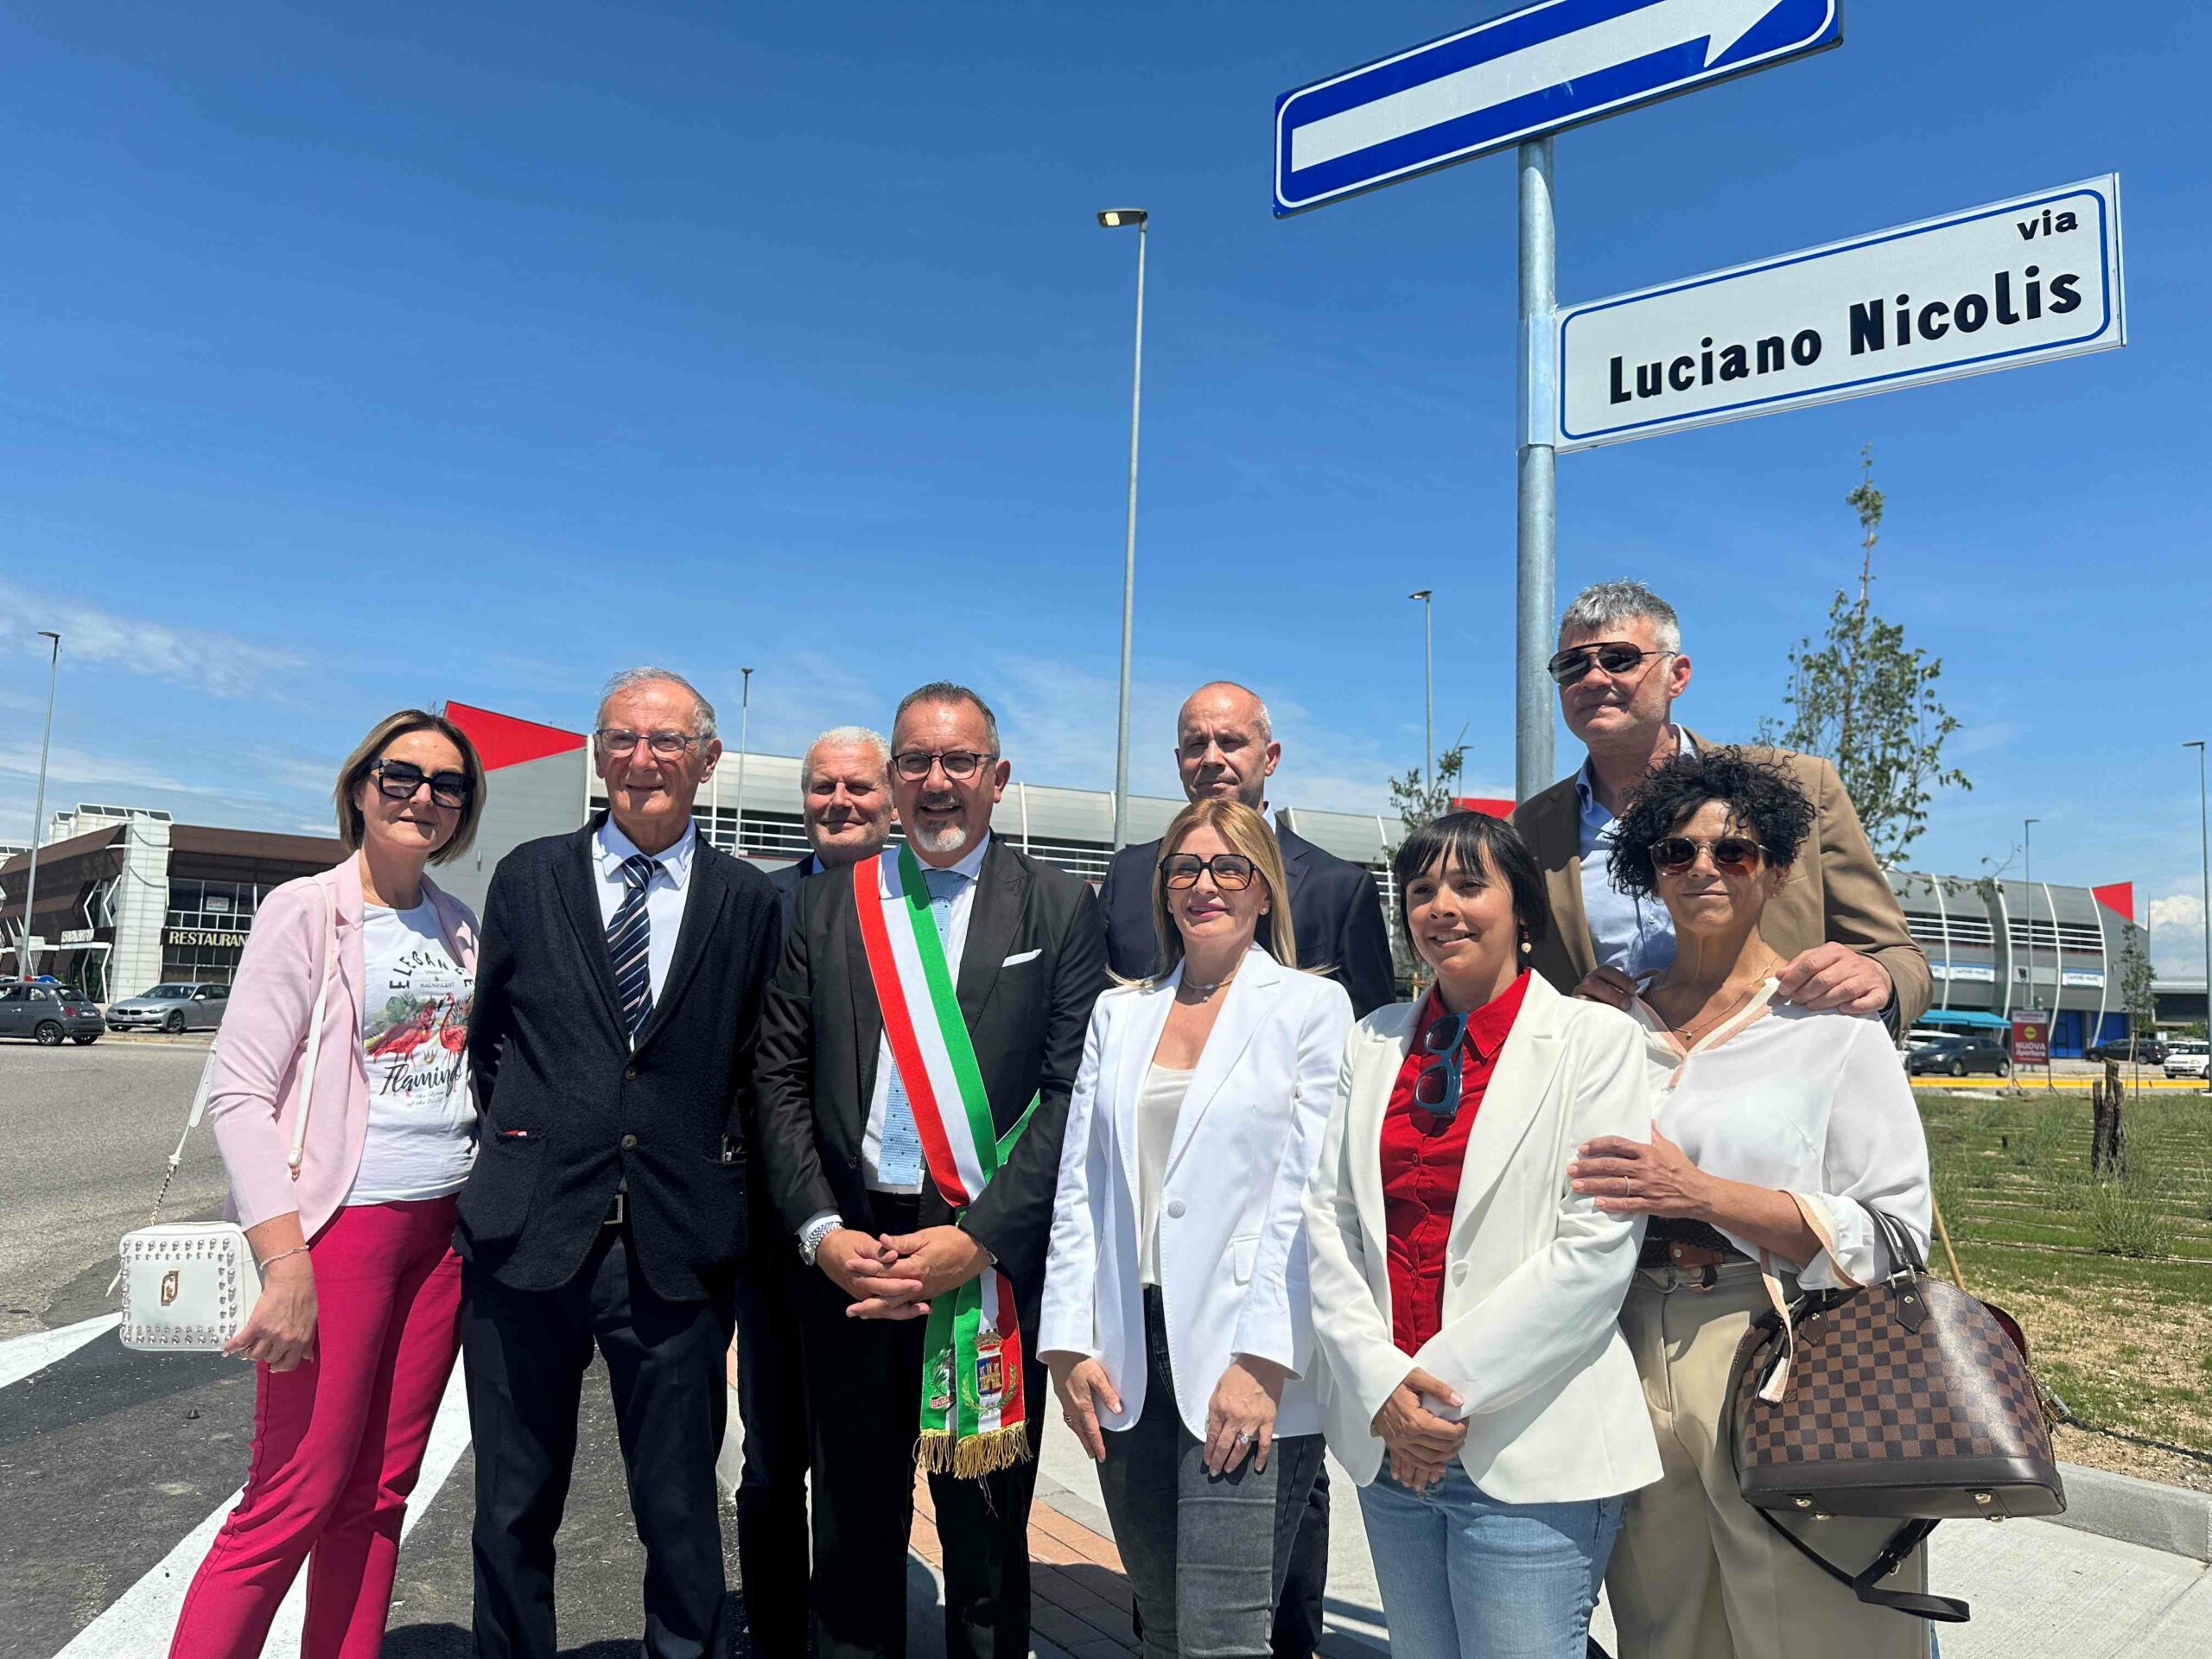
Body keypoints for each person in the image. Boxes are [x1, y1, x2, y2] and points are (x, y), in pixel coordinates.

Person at [754, 681, 1109, 1659]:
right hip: (852, 1256)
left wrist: (979, 1239)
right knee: (852, 1534)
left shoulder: (1059, 905)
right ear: (893, 777)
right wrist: (820, 1232)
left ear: (999, 777)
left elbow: (1072, 1094)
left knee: (986, 1546)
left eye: (960, 761)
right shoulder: (827, 904)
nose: (937, 781)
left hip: (984, 1262)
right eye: (916, 761)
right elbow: (776, 1077)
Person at [1567, 747, 1935, 1659]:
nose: (1703, 869)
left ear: (1773, 871)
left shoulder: (1830, 1023)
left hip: (1779, 1342)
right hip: (1621, 1344)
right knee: (1664, 1627)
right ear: (1648, 871)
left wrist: (1699, 1194)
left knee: (1814, 1628)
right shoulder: (1608, 1027)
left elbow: (1894, 1234)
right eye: (1676, 852)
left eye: (1732, 852)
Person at [458, 667, 782, 1659]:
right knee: (512, 1504)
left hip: (676, 1245)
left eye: (667, 740)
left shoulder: (747, 900)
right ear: (599, 756)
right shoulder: (529, 877)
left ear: (707, 760)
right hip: (527, 1234)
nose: (643, 760)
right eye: (623, 740)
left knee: (679, 1512)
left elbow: (756, 1064)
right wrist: (535, 1137)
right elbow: (491, 1040)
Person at [1304, 810, 1662, 1659]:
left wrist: (1434, 1398)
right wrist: (1382, 1386)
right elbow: (1328, 1220)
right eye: (1421, 890)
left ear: (1522, 909)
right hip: (1390, 1438)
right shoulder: (1373, 1039)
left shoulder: (1596, 1042)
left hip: (1528, 1443)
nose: (1442, 907)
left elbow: (1593, 1253)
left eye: (1469, 885)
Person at [171, 709, 487, 1659]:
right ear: (359, 788)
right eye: (401, 776)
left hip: (442, 1234)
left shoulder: (458, 924)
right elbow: (238, 1092)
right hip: (340, 1228)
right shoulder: (305, 909)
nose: (423, 797)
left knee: (380, 1494)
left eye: (447, 785)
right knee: (292, 1494)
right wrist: (284, 1260)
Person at [1098, 681, 1390, 1655]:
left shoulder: (1335, 899)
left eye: (1231, 740)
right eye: (1195, 742)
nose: (1212, 756)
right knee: (1169, 1614)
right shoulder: (1126, 894)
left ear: (1270, 754)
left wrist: (1271, 1352)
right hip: (1139, 1330)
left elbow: (1331, 1158)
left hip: (1257, 1328)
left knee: (1248, 1611)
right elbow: (1094, 1168)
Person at [1040, 799, 1352, 1658]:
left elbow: (1311, 1194)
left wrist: (1264, 1358)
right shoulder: (1120, 1015)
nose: (1204, 884)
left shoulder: (1311, 1007)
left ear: (1264, 889)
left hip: (1245, 1353)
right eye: (1185, 868)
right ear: (1163, 888)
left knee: (1224, 1635)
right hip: (1124, 1353)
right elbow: (1082, 1188)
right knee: (1165, 1625)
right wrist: (1067, 1343)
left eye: (1229, 867)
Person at [1510, 581, 1931, 1032]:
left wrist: (1878, 979)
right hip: (1611, 1073)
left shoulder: (1802, 786)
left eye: (1619, 659)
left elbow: (1898, 957)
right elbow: (1509, 983)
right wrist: (1566, 1015)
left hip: (1780, 1068)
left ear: (1677, 676)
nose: (1593, 679)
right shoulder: (1526, 830)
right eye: (1572, 665)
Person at [736, 725, 896, 1653]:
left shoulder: (924, 907)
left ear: (891, 798)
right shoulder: (763, 904)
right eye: (822, 787)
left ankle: (851, 1628)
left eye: (859, 787)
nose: (840, 802)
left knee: (859, 1466)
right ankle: (773, 1633)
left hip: (892, 1239)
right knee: (771, 1459)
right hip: (781, 1235)